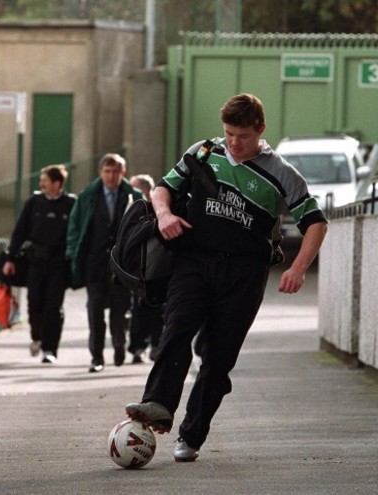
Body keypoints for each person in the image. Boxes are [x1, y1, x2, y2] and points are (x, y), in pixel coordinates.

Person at [125, 93, 327, 462]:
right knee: (177, 328)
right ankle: (158, 402)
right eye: (229, 134)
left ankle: (192, 435)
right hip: (194, 261)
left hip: (244, 274)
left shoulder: (282, 174)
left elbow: (315, 222)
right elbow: (162, 188)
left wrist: (297, 268)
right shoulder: (204, 152)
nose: (234, 143)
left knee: (217, 360)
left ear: (260, 131)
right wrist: (164, 215)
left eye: (243, 136)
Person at [66, 153, 143, 372]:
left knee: (119, 310)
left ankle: (119, 345)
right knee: (95, 310)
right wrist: (73, 253)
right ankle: (97, 357)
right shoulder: (88, 196)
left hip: (122, 266)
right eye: (107, 172)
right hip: (95, 263)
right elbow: (74, 227)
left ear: (123, 173)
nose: (111, 176)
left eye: (115, 172)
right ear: (100, 173)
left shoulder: (133, 196)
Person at [2, 164, 76, 363]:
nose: (41, 184)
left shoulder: (71, 203)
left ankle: (49, 349)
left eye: (45, 181)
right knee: (34, 302)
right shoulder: (33, 203)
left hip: (59, 262)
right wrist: (10, 259)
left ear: (57, 183)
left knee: (54, 306)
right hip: (36, 260)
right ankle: (37, 336)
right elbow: (20, 232)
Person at [127, 174, 164, 363]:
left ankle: (156, 344)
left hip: (156, 267)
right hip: (139, 269)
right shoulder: (133, 211)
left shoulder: (160, 209)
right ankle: (137, 346)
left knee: (158, 308)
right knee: (138, 308)